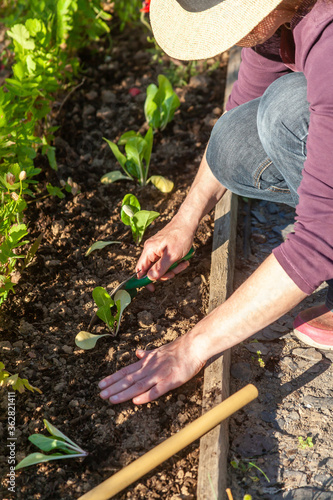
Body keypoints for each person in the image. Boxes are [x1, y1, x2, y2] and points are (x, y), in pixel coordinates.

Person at [98, 0, 333, 405]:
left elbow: (316, 241)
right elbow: (240, 107)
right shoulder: (281, 16)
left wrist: (190, 349)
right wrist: (184, 221)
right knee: (233, 141)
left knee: (284, 111)